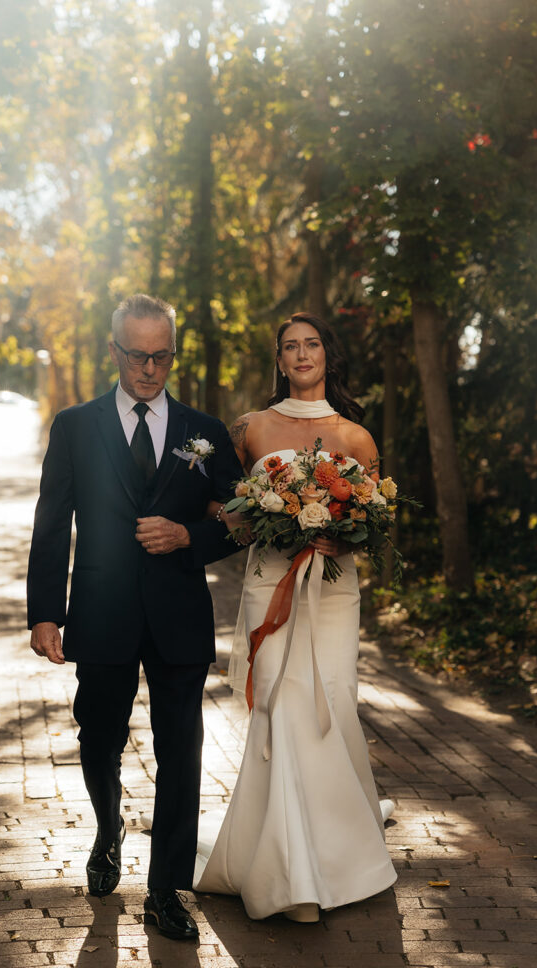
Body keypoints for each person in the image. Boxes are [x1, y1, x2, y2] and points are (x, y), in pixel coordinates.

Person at [27, 294, 243, 940]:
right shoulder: (75, 426)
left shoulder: (204, 431)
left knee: (182, 752)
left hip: (179, 611)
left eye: (162, 356)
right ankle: (107, 824)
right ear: (114, 349)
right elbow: (50, 521)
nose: (150, 369)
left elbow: (243, 517)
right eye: (137, 355)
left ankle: (165, 891)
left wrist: (189, 539)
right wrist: (44, 613)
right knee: (98, 736)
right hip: (100, 609)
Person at [195, 312, 397, 922]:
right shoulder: (250, 428)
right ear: (279, 361)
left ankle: (334, 851)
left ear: (326, 357)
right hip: (269, 582)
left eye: (312, 345)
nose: (302, 354)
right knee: (279, 704)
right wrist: (258, 515)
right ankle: (288, 873)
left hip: (333, 591)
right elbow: (219, 503)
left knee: (329, 704)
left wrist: (345, 538)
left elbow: (379, 522)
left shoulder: (356, 437)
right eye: (290, 346)